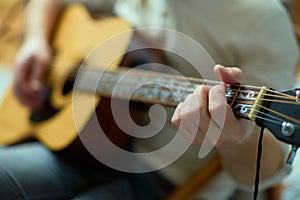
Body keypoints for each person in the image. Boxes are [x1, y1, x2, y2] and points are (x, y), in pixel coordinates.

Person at [1, 0, 298, 199]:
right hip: (75, 142)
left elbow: (269, 171)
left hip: (160, 178)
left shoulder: (264, 20)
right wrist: (35, 40)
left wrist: (238, 139)